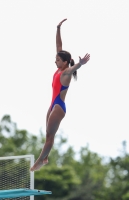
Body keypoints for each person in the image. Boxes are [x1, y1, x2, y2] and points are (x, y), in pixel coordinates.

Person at [30, 19, 90, 171]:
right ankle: (45, 156)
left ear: (65, 62)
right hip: (52, 105)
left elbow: (72, 68)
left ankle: (40, 161)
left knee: (50, 137)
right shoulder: (59, 69)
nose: (55, 61)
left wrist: (80, 64)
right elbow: (59, 46)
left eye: (57, 60)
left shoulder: (66, 73)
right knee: (48, 134)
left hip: (58, 107)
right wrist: (58, 28)